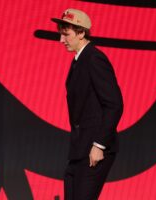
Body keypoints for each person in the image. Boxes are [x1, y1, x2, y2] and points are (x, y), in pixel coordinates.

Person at [51, 8, 123, 200]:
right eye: (60, 34)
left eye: (66, 34)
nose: (61, 40)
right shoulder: (79, 60)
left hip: (94, 149)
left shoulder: (93, 58)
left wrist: (99, 145)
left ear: (81, 32)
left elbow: (114, 104)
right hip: (79, 149)